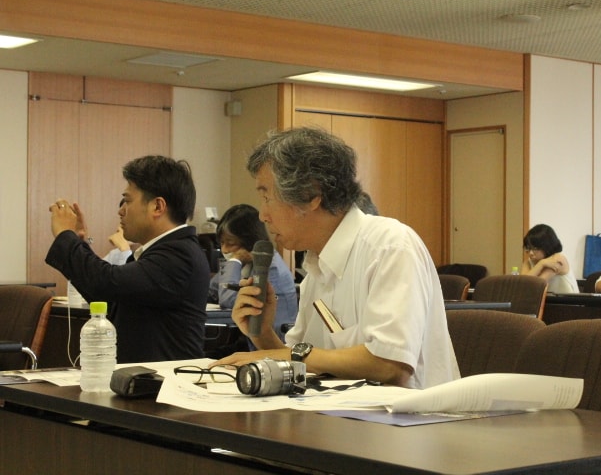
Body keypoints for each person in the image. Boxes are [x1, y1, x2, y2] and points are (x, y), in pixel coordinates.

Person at [210, 127, 459, 389]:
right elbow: (301, 363)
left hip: (407, 412)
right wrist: (262, 335)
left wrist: (290, 355)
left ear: (310, 195)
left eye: (267, 197)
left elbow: (390, 365)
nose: (263, 215)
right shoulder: (316, 267)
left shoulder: (389, 246)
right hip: (338, 410)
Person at [46, 155, 210, 363]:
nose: (121, 210)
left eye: (128, 201)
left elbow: (106, 282)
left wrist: (65, 236)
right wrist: (79, 244)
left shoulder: (179, 255)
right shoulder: (162, 251)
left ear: (157, 207)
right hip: (141, 377)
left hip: (162, 381)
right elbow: (111, 299)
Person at [207, 204, 297, 346]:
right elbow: (212, 290)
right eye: (222, 243)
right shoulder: (247, 262)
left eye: (230, 243)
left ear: (249, 241)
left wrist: (235, 261)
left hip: (278, 346)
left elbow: (228, 300)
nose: (224, 249)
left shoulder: (270, 268)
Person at [521, 224, 579, 293]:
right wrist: (541, 264)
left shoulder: (558, 259)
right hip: (545, 299)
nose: (530, 253)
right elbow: (522, 284)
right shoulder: (528, 262)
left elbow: (536, 286)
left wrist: (541, 264)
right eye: (528, 248)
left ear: (547, 246)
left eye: (535, 248)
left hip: (568, 299)